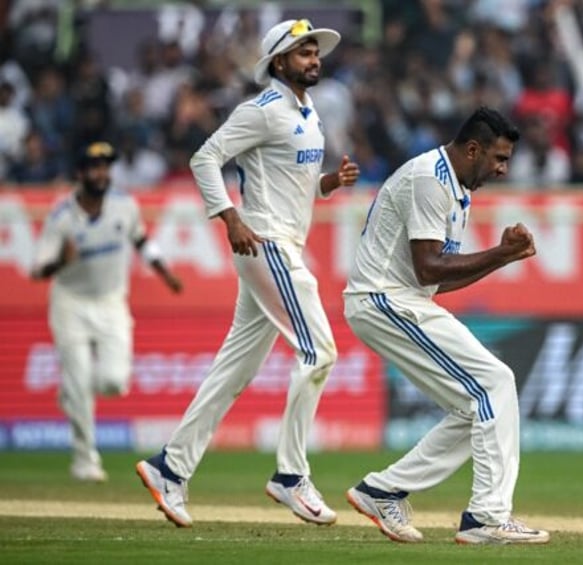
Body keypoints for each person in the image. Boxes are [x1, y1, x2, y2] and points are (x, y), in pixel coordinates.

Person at [135, 19, 360, 528]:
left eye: (315, 51)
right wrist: (229, 217)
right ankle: (290, 476)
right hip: (265, 242)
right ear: (278, 62)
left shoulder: (307, 111)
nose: (314, 58)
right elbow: (204, 158)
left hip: (281, 242)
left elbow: (287, 181)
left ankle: (170, 466)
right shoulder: (260, 110)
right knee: (320, 351)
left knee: (233, 369)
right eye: (303, 52)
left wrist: (328, 183)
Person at [343, 106, 549, 545]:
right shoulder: (430, 179)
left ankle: (382, 490)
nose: (502, 169)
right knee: (495, 382)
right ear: (472, 149)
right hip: (384, 299)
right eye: (498, 158)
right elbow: (428, 268)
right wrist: (500, 254)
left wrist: (503, 257)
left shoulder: (458, 188)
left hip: (402, 300)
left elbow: (439, 278)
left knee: (477, 404)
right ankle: (487, 517)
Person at [30, 141, 183, 482]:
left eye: (105, 167)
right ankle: (85, 462)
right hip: (70, 303)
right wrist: (60, 261)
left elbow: (142, 240)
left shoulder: (124, 205)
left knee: (114, 381)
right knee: (80, 382)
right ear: (80, 173)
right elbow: (37, 270)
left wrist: (164, 271)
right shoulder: (62, 217)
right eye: (94, 167)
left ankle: (72, 390)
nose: (101, 173)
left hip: (112, 301)